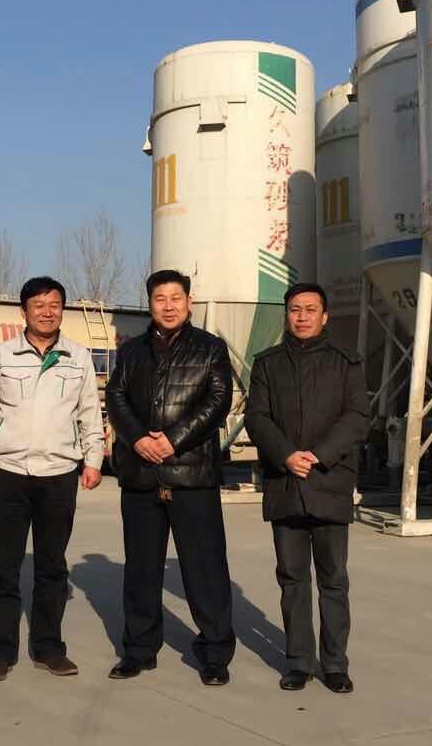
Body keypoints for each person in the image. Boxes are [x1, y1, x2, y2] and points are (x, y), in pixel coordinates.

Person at [0, 276, 105, 681]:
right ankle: (0, 652)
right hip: (7, 474)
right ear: (24, 311)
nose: (47, 312)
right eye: (39, 305)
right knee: (3, 568)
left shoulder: (77, 357)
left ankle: (49, 648)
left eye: (54, 305)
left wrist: (93, 460)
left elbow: (89, 413)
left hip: (58, 475)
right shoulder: (2, 355)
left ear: (63, 310)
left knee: (52, 567)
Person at [105, 269, 235, 685]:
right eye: (160, 299)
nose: (168, 306)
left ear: (189, 302)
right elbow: (116, 398)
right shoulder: (131, 351)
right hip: (141, 474)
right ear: (150, 304)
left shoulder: (210, 348)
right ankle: (139, 650)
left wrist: (173, 441)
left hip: (192, 475)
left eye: (176, 298)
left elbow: (219, 400)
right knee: (141, 569)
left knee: (204, 569)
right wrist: (139, 439)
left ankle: (214, 654)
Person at [245, 283, 366, 694]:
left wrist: (318, 455)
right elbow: (257, 417)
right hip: (285, 484)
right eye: (295, 309)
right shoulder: (267, 364)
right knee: (292, 578)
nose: (302, 316)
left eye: (310, 309)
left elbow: (357, 417)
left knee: (333, 580)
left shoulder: (345, 362)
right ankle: (298, 661)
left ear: (324, 316)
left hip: (329, 482)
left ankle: (334, 664)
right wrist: (286, 456)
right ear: (287, 315)